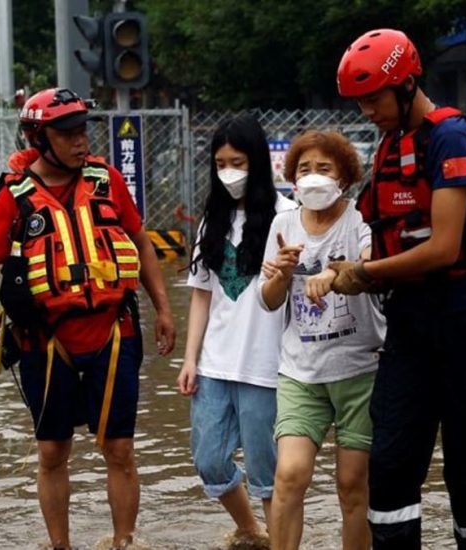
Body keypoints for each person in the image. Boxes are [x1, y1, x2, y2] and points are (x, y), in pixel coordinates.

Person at [330, 29, 466, 549]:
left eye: (373, 97)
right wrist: (355, 266)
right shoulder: (392, 145)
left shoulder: (452, 138)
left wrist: (367, 274)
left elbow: (444, 248)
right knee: (389, 465)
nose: (366, 110)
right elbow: (383, 235)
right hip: (411, 325)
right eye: (359, 101)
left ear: (408, 84)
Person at [0, 87, 176, 550]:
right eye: (67, 134)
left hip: (113, 332)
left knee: (119, 448)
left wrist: (163, 308)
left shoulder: (106, 179)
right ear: (40, 139)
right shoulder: (13, 195)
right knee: (52, 450)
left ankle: (124, 541)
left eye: (83, 131)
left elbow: (141, 244)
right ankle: (60, 545)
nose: (81, 141)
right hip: (45, 340)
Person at [259, 130, 386, 550]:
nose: (313, 177)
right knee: (289, 475)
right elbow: (269, 301)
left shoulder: (359, 220)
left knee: (352, 485)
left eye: (324, 168)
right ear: (291, 179)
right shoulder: (283, 223)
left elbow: (371, 268)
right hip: (301, 372)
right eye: (304, 169)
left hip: (360, 370)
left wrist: (334, 273)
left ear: (344, 177)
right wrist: (279, 273)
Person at [177, 113, 296, 548]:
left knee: (269, 475)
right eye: (221, 162)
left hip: (268, 368)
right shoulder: (214, 219)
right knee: (209, 461)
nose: (229, 172)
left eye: (239, 162)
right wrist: (190, 359)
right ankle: (250, 531)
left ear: (259, 162)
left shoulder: (288, 217)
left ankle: (281, 542)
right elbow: (202, 295)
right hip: (214, 365)